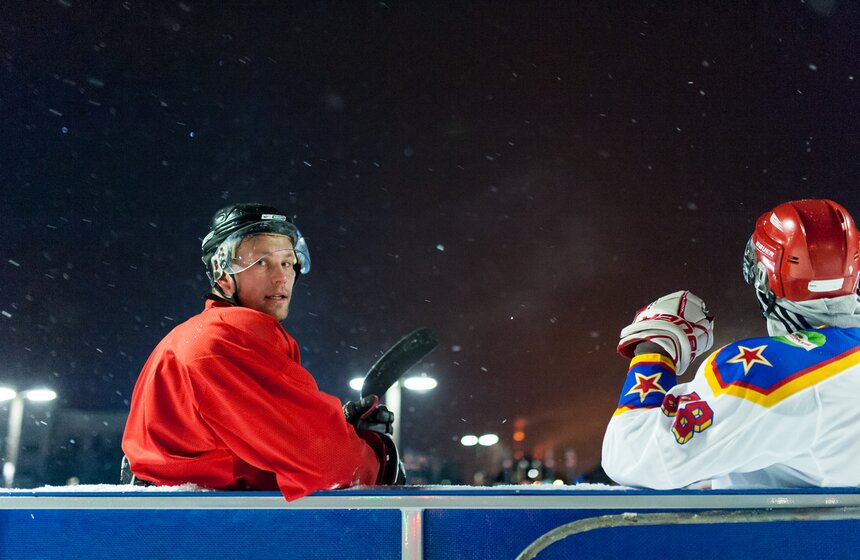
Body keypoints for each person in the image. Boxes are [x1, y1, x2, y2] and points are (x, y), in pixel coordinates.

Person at [121, 203, 403, 500]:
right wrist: (376, 453)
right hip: (204, 533)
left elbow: (248, 445)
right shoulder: (227, 340)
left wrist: (338, 430)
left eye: (287, 262)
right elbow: (327, 465)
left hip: (185, 524)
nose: (281, 277)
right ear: (223, 274)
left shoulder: (199, 332)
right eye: (261, 263)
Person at [602, 199, 860, 489]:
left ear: (765, 279)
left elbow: (633, 457)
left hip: (781, 536)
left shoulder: (763, 369)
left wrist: (655, 348)